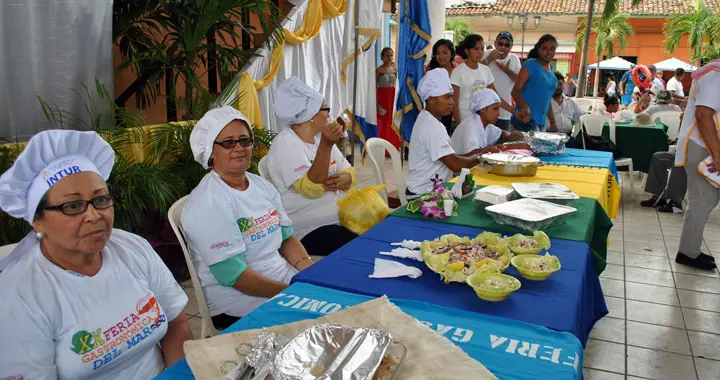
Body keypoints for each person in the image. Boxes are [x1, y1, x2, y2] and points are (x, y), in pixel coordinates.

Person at [0, 130, 192, 378]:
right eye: (72, 206)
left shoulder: (133, 249)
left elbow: (177, 323)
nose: (93, 215)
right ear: (37, 221)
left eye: (100, 200)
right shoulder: (19, 297)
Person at [181, 107, 315, 329]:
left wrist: (308, 270)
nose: (239, 148)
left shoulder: (260, 185)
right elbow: (233, 276)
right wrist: (289, 293)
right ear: (210, 152)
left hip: (280, 278)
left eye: (245, 140)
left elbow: (286, 238)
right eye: (228, 143)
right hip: (236, 299)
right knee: (317, 321)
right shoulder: (208, 203)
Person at [266, 77, 357, 256]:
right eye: (326, 109)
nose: (330, 116)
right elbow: (311, 189)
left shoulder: (317, 139)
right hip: (307, 229)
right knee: (357, 246)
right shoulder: (285, 144)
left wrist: (344, 179)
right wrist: (326, 146)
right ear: (311, 116)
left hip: (339, 217)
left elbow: (350, 171)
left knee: (378, 229)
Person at [406, 68, 492, 198]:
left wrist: (482, 151)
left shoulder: (429, 119)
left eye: (452, 97)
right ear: (431, 99)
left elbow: (452, 157)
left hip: (433, 190)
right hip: (422, 195)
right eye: (447, 97)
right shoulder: (431, 125)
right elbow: (455, 165)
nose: (452, 102)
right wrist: (482, 156)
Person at [673, 60, 720, 270]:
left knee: (702, 199)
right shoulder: (715, 76)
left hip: (704, 144)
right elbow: (703, 115)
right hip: (702, 145)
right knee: (702, 199)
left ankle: (689, 250)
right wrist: (717, 152)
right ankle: (688, 253)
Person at [450, 34, 516, 125]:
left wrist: (515, 112)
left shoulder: (486, 70)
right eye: (476, 49)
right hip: (463, 122)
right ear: (467, 51)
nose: (480, 52)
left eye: (482, 49)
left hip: (480, 124)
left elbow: (496, 97)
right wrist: (459, 125)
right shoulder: (458, 72)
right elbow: (454, 102)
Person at [451, 88, 528, 155]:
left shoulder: (486, 125)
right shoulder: (471, 127)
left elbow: (501, 134)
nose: (498, 114)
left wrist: (511, 135)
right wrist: (509, 147)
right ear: (482, 109)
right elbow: (472, 154)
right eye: (495, 109)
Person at [511, 34, 559, 132]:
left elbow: (547, 98)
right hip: (524, 120)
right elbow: (515, 91)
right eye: (545, 48)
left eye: (552, 48)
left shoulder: (552, 68)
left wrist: (553, 122)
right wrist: (525, 108)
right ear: (539, 49)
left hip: (541, 123)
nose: (548, 52)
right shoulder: (531, 64)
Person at [481, 31, 522, 131]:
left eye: (507, 45)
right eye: (500, 44)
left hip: (504, 113)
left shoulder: (514, 59)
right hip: (484, 110)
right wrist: (489, 59)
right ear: (495, 44)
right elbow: (475, 69)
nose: (503, 47)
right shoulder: (486, 54)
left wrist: (506, 69)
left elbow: (519, 81)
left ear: (511, 47)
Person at [426, 39, 457, 135]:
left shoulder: (458, 70)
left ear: (451, 54)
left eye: (445, 53)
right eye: (438, 53)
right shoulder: (431, 71)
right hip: (438, 111)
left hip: (455, 110)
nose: (441, 56)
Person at [547, 72, 585, 141]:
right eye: (555, 84)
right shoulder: (545, 102)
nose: (558, 87)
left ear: (564, 84)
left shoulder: (570, 102)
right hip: (549, 137)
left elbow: (581, 116)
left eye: (560, 84)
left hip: (567, 137)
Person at [376, 47, 400, 150]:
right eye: (387, 55)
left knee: (392, 122)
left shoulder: (395, 70)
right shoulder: (378, 70)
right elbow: (373, 88)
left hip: (393, 99)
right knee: (383, 123)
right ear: (382, 57)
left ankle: (393, 147)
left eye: (391, 55)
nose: (390, 58)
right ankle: (382, 148)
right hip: (382, 99)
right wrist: (377, 105)